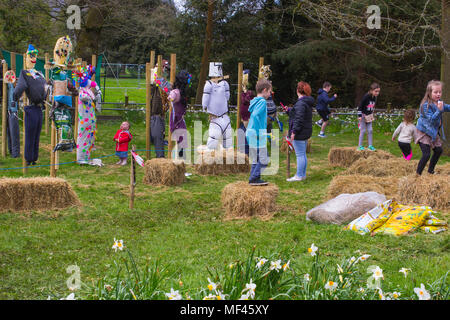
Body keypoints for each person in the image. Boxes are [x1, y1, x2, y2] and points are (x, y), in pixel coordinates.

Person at [13, 44, 47, 166]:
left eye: (35, 56)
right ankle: (29, 158)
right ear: (27, 57)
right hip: (32, 108)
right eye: (31, 56)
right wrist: (15, 97)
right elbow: (20, 87)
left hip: (38, 107)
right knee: (31, 134)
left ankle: (33, 158)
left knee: (36, 134)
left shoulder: (39, 74)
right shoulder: (25, 74)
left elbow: (45, 87)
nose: (34, 58)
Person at [415, 80, 450, 175]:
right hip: (424, 133)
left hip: (433, 132)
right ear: (429, 92)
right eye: (435, 92)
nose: (438, 94)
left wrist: (442, 108)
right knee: (426, 154)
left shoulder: (439, 102)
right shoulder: (425, 105)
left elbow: (447, 107)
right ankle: (417, 175)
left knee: (438, 151)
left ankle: (430, 171)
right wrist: (439, 111)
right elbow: (431, 120)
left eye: (440, 92)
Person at [286, 81, 315, 182]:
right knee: (302, 154)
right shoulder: (305, 102)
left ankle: (299, 176)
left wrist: (294, 132)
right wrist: (290, 111)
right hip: (305, 131)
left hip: (300, 132)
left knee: (300, 155)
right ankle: (302, 175)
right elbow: (299, 114)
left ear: (297, 90)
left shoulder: (301, 103)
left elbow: (299, 118)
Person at [74, 65, 102, 165]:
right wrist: (93, 96)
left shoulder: (87, 90)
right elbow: (84, 97)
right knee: (83, 138)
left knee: (88, 139)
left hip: (89, 121)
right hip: (84, 121)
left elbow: (93, 85)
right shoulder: (82, 92)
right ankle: (81, 158)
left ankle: (86, 156)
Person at [246, 79, 272, 186]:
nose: (270, 94)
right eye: (270, 91)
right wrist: (259, 132)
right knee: (264, 158)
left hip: (250, 133)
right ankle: (254, 178)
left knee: (256, 158)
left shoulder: (255, 100)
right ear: (265, 90)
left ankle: (255, 178)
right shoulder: (262, 102)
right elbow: (256, 115)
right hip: (256, 134)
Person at [202, 62, 231, 150]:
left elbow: (227, 97)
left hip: (222, 117)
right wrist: (204, 107)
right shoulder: (209, 85)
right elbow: (205, 99)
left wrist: (204, 108)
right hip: (216, 117)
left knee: (226, 139)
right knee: (214, 139)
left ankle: (227, 157)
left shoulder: (224, 84)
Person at [169, 70, 191, 159]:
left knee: (181, 137)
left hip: (178, 118)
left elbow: (171, 98)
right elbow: (171, 98)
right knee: (181, 136)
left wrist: (169, 97)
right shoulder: (178, 92)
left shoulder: (176, 92)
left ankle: (180, 156)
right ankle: (180, 156)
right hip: (178, 118)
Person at [357, 83, 380, 151]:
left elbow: (372, 106)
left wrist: (372, 114)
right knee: (363, 131)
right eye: (376, 91)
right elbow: (360, 106)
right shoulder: (366, 96)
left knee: (370, 130)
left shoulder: (375, 97)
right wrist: (359, 116)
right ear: (371, 90)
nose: (377, 93)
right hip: (363, 116)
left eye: (378, 91)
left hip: (369, 116)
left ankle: (370, 145)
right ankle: (360, 146)